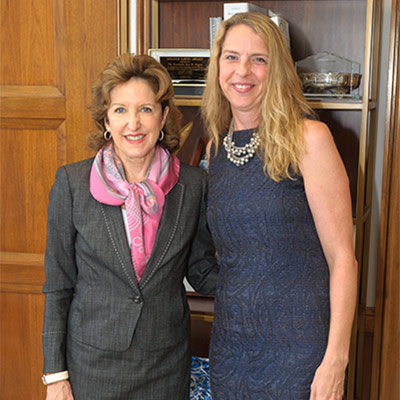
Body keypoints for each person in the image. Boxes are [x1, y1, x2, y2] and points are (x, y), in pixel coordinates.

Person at [42, 53, 218, 400]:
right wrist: (56, 376)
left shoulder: (194, 185)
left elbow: (199, 268)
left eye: (146, 109)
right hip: (92, 366)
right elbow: (58, 286)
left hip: (165, 366)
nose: (133, 124)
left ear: (163, 116)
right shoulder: (73, 184)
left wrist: (259, 280)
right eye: (120, 110)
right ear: (105, 119)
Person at [201, 12, 357, 400]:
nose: (243, 71)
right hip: (231, 348)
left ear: (277, 69)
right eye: (232, 57)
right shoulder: (215, 150)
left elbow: (343, 259)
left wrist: (335, 359)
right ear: (217, 65)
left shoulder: (309, 139)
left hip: (299, 349)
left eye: (259, 59)